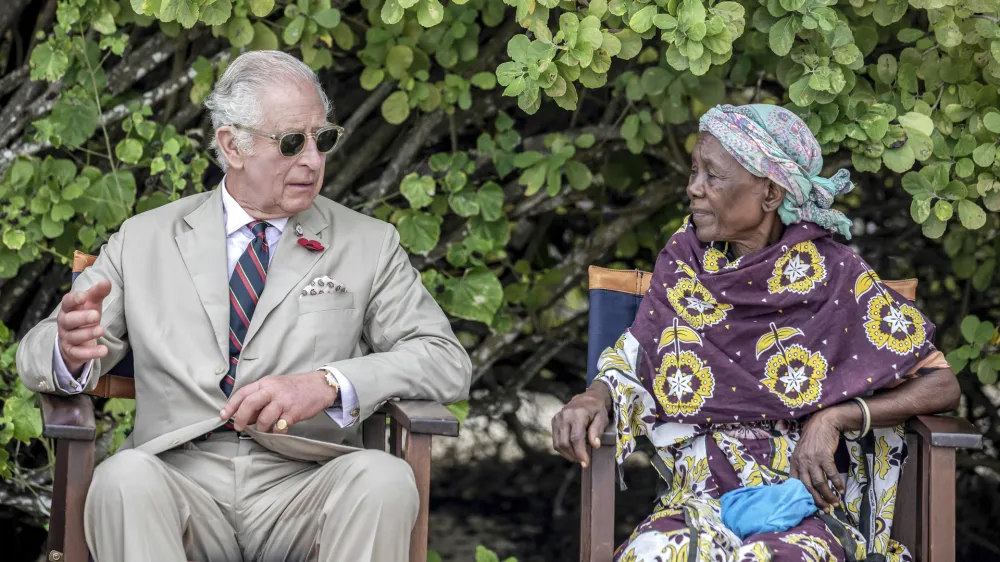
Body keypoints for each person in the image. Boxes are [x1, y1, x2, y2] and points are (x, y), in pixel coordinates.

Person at [16, 50, 472, 562]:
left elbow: (446, 361)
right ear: (233, 145)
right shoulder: (144, 238)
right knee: (122, 479)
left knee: (385, 478)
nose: (313, 161)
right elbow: (34, 355)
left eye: (322, 140)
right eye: (292, 143)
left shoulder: (370, 243)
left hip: (307, 482)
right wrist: (67, 351)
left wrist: (327, 383)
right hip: (177, 478)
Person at [551, 104, 961, 561]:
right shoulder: (684, 265)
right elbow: (632, 361)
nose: (693, 188)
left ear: (768, 193)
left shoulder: (835, 275)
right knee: (654, 553)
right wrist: (593, 398)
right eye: (693, 172)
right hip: (697, 505)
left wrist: (835, 417)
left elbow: (941, 384)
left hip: (804, 508)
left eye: (712, 175)